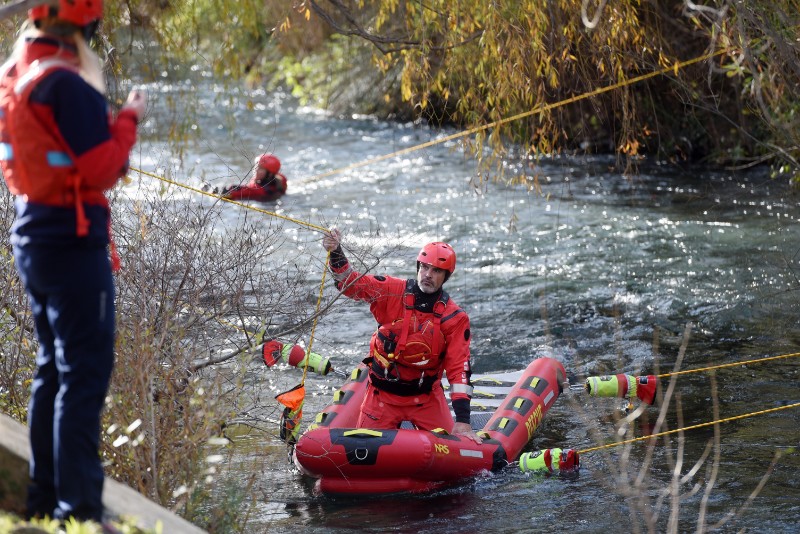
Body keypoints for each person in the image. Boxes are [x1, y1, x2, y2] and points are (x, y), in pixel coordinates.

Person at [0, 0, 146, 524]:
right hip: (72, 243)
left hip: (32, 237)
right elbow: (104, 166)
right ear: (86, 24)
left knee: (52, 373)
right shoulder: (65, 82)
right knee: (83, 377)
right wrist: (128, 118)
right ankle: (79, 508)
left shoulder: (13, 73)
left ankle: (45, 498)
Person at [322, 229, 482, 444]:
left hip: (426, 399)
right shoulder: (391, 290)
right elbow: (351, 285)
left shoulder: (454, 317)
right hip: (382, 396)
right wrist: (336, 251)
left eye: (436, 270)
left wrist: (463, 420)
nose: (428, 274)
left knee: (449, 453)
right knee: (364, 455)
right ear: (418, 267)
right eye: (425, 267)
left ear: (446, 276)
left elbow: (458, 368)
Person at [220, 152, 287, 202]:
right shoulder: (280, 179)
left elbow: (228, 195)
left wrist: (224, 191)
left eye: (261, 168)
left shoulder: (257, 191)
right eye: (256, 166)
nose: (256, 169)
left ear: (269, 174)